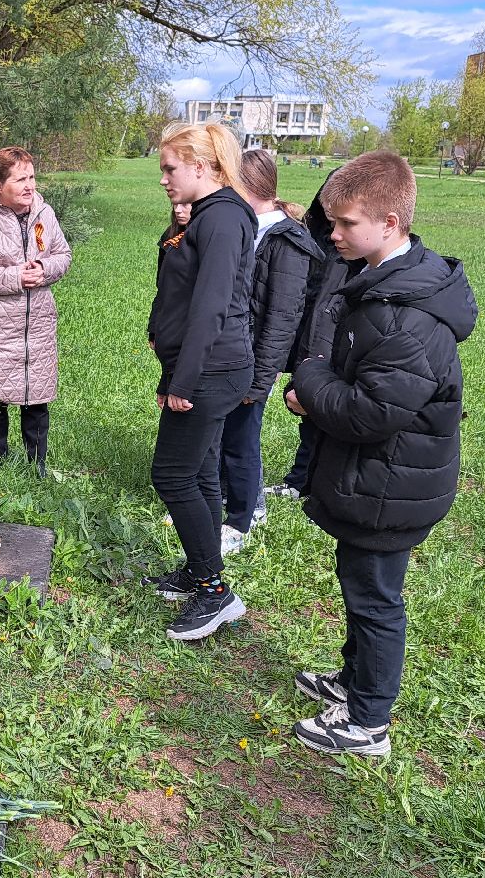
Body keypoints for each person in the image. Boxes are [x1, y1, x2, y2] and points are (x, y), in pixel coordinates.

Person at [285, 151, 477, 756]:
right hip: (375, 479)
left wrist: (309, 384)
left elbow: (370, 413)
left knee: (375, 598)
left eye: (344, 224)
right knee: (359, 583)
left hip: (392, 486)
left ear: (390, 223)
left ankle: (369, 722)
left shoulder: (409, 320)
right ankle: (354, 682)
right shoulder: (381, 281)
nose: (333, 235)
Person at [142, 121, 257, 641]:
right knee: (202, 475)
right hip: (203, 366)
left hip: (211, 371)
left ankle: (214, 591)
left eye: (170, 168)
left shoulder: (224, 220)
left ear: (202, 167)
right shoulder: (204, 215)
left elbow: (212, 308)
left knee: (172, 476)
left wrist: (182, 383)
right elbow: (177, 284)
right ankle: (200, 569)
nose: (164, 178)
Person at [216, 149, 321, 554]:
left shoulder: (286, 242)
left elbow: (282, 318)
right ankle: (223, 497)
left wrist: (260, 380)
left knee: (243, 436)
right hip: (229, 353)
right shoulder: (244, 228)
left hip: (253, 362)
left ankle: (245, 513)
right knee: (221, 431)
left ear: (246, 188)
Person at [0, 147, 72, 471]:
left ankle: (37, 469)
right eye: (20, 179)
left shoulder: (43, 214)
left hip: (37, 324)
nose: (29, 186)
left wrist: (43, 269)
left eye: (31, 177)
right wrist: (13, 276)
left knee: (37, 398)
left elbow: (63, 255)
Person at [266, 173, 347, 501]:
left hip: (333, 341)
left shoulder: (350, 247)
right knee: (309, 414)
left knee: (323, 415)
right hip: (310, 334)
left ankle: (313, 485)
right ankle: (301, 481)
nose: (330, 208)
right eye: (327, 198)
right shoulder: (315, 234)